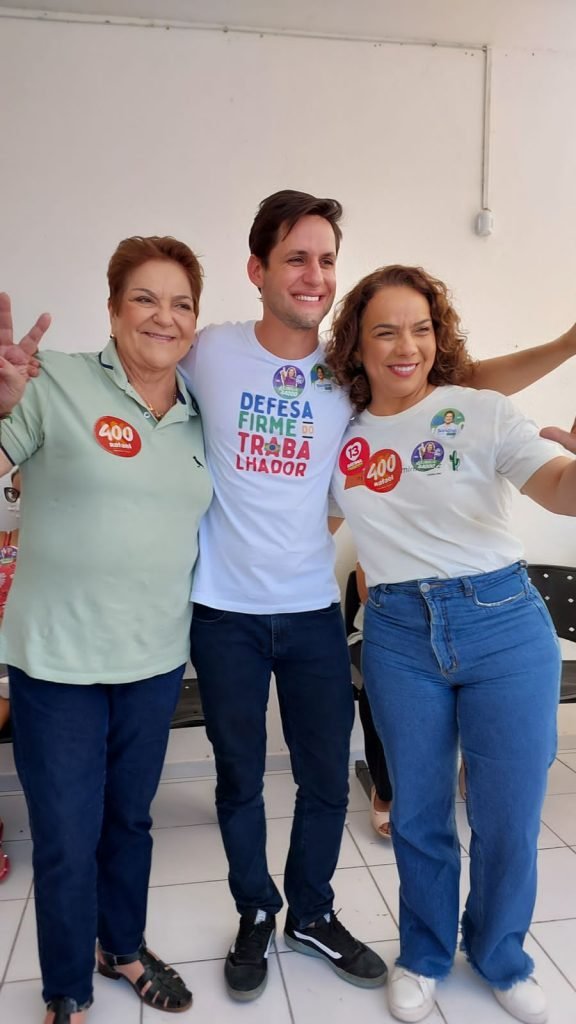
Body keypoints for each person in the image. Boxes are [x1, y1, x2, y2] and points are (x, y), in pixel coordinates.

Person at [178, 188, 576, 1004]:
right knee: (328, 797)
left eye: (326, 259)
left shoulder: (416, 397)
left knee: (419, 798)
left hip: (415, 617)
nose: (314, 274)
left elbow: (504, 428)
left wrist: (567, 349)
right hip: (309, 619)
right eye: (296, 257)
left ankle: (427, 939)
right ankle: (343, 935)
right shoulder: (268, 379)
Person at [327, 263, 574, 1024]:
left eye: (422, 328)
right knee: (420, 813)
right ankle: (426, 951)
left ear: (440, 336)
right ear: (357, 349)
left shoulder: (482, 410)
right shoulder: (340, 434)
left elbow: (560, 488)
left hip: (502, 621)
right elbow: (303, 523)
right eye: (386, 332)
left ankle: (500, 953)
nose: (407, 347)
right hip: (400, 633)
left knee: (506, 814)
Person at [0, 235, 212, 1024]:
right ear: (114, 310)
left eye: (182, 302)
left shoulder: (198, 414)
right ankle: (67, 989)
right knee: (64, 837)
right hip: (55, 660)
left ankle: (120, 947)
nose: (165, 316)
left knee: (129, 819)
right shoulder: (50, 382)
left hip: (154, 659)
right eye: (146, 299)